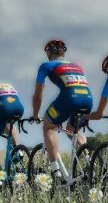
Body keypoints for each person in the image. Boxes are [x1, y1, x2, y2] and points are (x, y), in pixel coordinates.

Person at [31, 39, 93, 179]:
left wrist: (35, 115)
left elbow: (38, 96)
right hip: (88, 100)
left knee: (48, 127)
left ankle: (55, 171)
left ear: (48, 52)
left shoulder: (46, 65)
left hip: (69, 99)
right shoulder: (76, 66)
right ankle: (89, 163)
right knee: (72, 131)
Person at [0, 82, 25, 146]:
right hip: (19, 108)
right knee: (9, 124)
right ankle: (17, 149)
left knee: (5, 120)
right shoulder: (5, 85)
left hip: (6, 107)